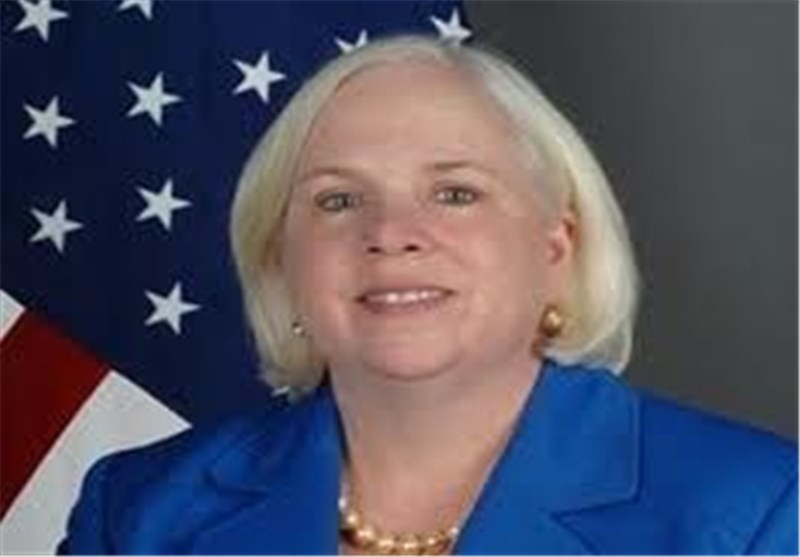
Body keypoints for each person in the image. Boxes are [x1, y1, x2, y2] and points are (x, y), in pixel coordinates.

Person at [58, 35, 797, 555]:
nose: (391, 234)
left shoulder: (757, 509)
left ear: (556, 247)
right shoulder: (140, 510)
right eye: (338, 200)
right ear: (280, 261)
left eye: (455, 193)